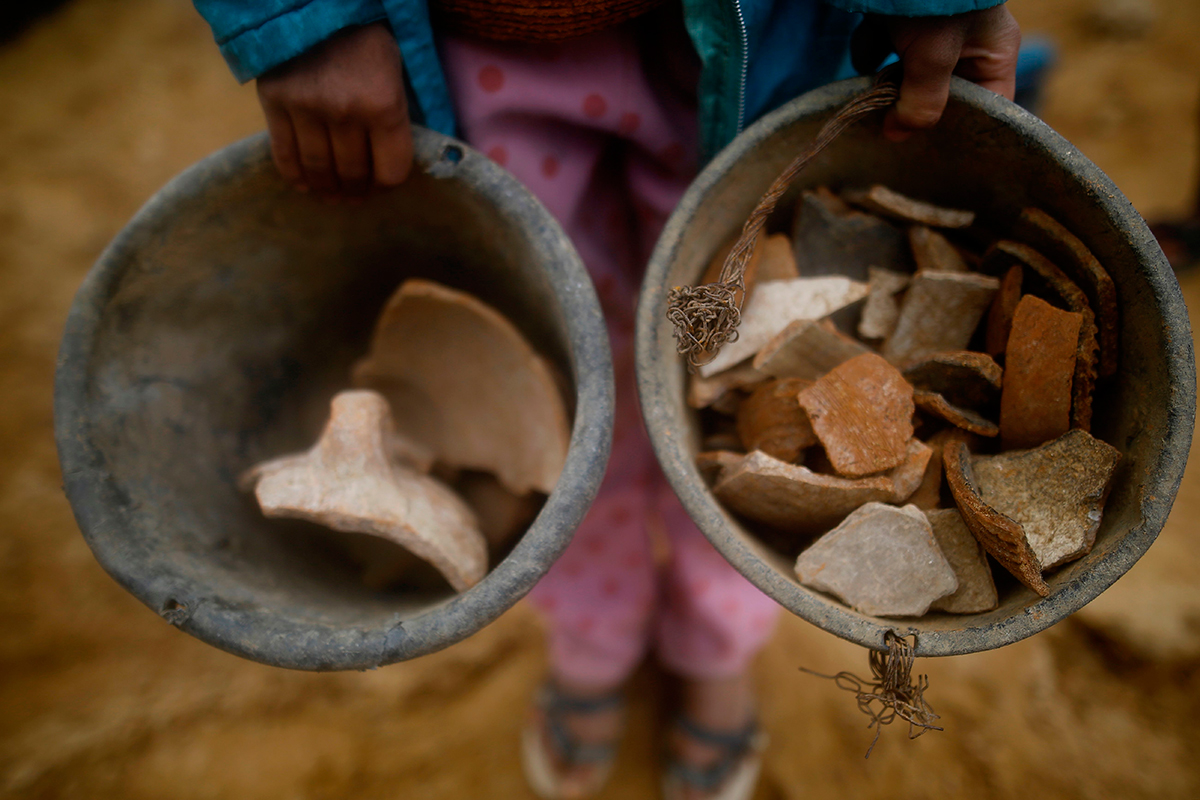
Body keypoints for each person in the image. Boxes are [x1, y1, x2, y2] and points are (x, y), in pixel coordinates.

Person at [191, 2, 1021, 798]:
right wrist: (306, 16)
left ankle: (714, 643)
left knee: (716, 376)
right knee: (569, 384)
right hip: (482, 53)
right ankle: (594, 632)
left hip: (753, 46)